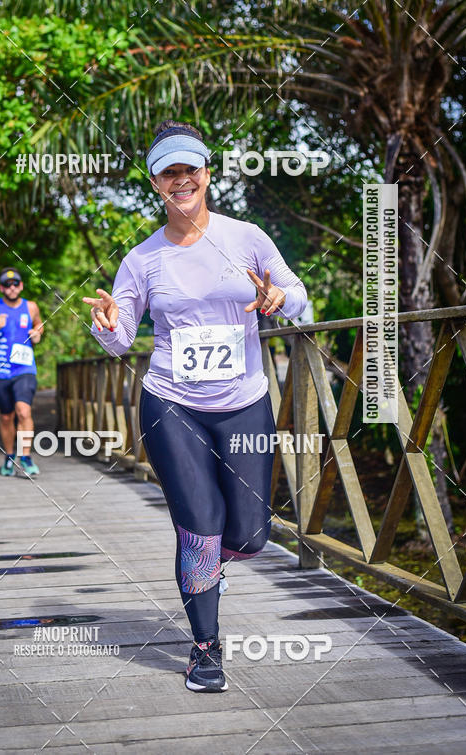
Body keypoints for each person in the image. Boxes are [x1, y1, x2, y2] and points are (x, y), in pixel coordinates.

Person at [83, 121, 307, 693]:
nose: (180, 180)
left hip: (243, 402)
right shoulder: (142, 259)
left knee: (252, 536)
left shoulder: (247, 237)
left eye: (190, 169)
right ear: (156, 182)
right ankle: (205, 650)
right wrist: (106, 324)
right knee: (199, 529)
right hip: (171, 404)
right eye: (168, 172)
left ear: (207, 174)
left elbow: (298, 297)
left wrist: (280, 297)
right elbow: (120, 335)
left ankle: (209, 566)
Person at [0, 267, 44, 477]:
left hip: (24, 368)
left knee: (24, 411)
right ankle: (9, 455)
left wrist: (37, 334)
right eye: (7, 285)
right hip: (1, 371)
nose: (12, 287)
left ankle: (25, 457)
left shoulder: (30, 307)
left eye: (15, 283)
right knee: (7, 417)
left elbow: (39, 325)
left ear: (21, 286)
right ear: (1, 288)